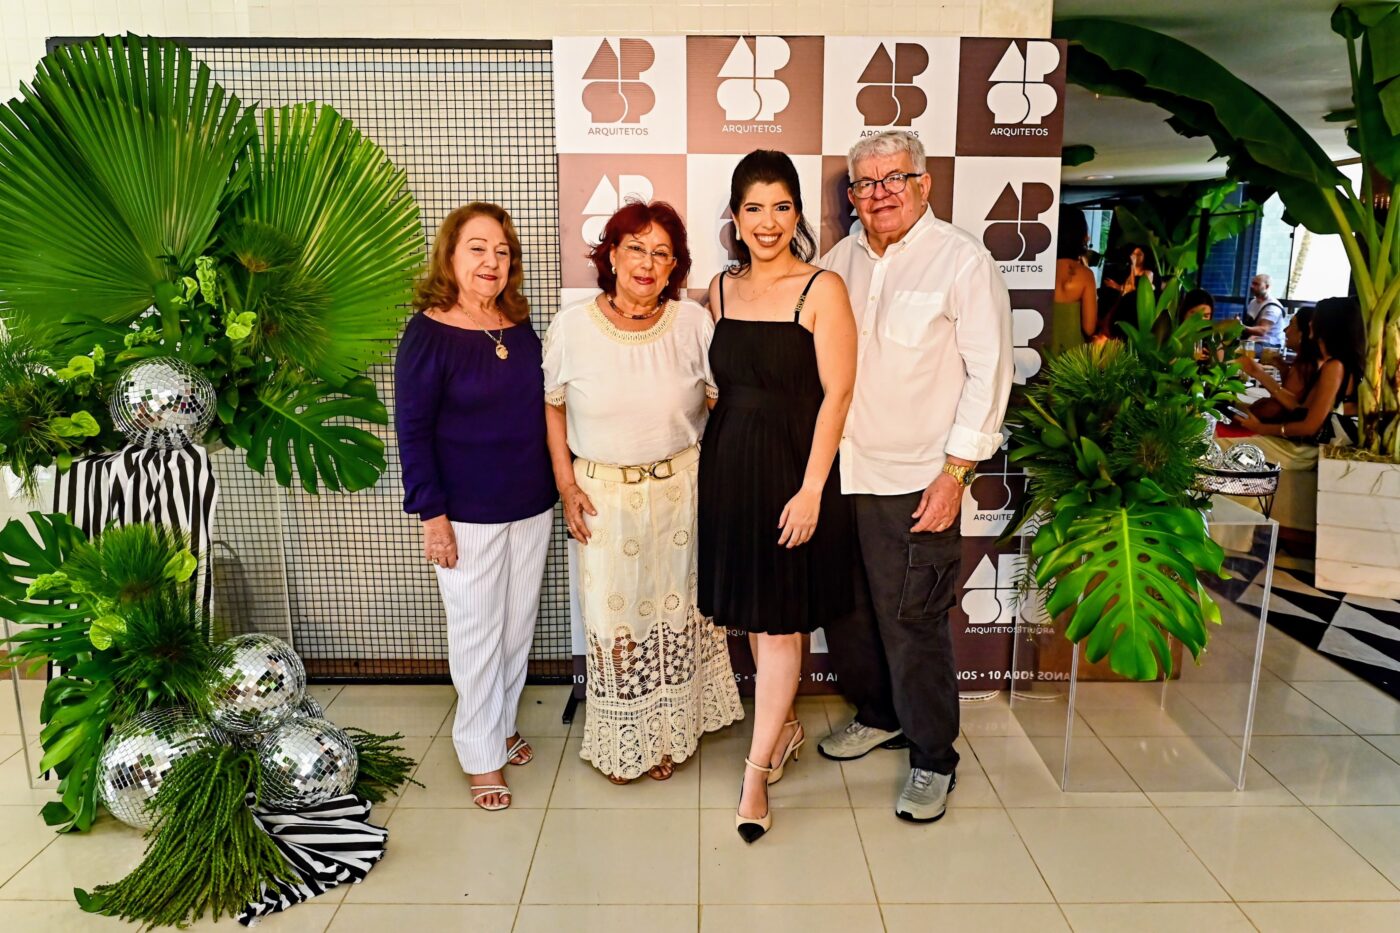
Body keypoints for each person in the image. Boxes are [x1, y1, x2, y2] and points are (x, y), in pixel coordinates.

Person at [815, 130, 1014, 823]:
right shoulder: (837, 262)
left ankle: (933, 756)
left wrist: (956, 472)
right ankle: (877, 714)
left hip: (917, 479)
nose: (881, 193)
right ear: (851, 197)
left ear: (924, 183)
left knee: (914, 622)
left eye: (895, 178)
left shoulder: (962, 262)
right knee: (849, 613)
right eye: (866, 183)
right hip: (843, 472)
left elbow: (991, 373)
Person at [543, 200, 743, 784]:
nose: (647, 263)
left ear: (676, 265)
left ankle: (670, 735)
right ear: (610, 254)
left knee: (678, 611)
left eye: (662, 253)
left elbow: (717, 399)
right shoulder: (573, 326)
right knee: (617, 622)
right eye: (635, 247)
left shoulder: (692, 322)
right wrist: (566, 485)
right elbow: (552, 408)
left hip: (684, 490)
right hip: (603, 493)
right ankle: (626, 736)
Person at [696, 150, 857, 843]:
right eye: (753, 208)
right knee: (761, 619)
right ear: (735, 217)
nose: (768, 222)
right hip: (731, 469)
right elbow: (714, 384)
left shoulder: (821, 288)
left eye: (782, 206)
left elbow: (839, 394)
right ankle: (784, 727)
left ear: (798, 214)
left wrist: (813, 488)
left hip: (795, 471)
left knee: (783, 620)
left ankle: (756, 771)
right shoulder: (718, 289)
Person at [395, 203, 557, 812]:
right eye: (478, 249)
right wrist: (432, 516)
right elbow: (412, 431)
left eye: (503, 252)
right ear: (451, 256)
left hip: (531, 504)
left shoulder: (516, 325)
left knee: (517, 628)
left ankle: (503, 724)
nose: (492, 262)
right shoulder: (428, 332)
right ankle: (479, 753)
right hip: (464, 513)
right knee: (475, 635)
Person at [1235, 297, 1361, 446]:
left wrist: (1261, 428)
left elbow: (1309, 426)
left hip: (1307, 450)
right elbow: (1301, 409)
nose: (1310, 323)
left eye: (1316, 319)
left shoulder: (1335, 366)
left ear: (1328, 325)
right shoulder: (1340, 363)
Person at [1244, 306, 1317, 423]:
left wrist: (1257, 372)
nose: (1285, 330)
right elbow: (1290, 392)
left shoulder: (1308, 365)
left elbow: (1290, 406)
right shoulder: (1302, 360)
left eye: (1291, 324)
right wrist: (1283, 369)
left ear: (1303, 333)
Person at [1052, 206, 1098, 354]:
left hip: (1038, 353)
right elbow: (1089, 328)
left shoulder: (1039, 271)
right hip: (1072, 361)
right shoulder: (1085, 275)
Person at [1242, 273, 1286, 348]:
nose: (1252, 286)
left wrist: (1241, 327)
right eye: (1252, 283)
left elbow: (1262, 331)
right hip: (1254, 341)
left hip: (1270, 345)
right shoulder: (1253, 302)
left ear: (1267, 286)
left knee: (1239, 352)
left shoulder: (1272, 307)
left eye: (1256, 284)